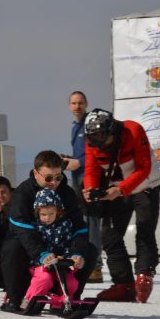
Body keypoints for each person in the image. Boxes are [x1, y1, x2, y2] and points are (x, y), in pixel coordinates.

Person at [0, 150, 96, 312]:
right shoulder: (23, 193)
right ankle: (14, 297)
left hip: (60, 246)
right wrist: (41, 253)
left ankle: (70, 296)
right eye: (48, 178)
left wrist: (77, 252)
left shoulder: (67, 193)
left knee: (91, 250)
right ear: (36, 174)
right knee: (12, 247)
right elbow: (22, 228)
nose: (54, 182)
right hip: (30, 250)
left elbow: (79, 226)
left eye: (58, 177)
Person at [83, 109, 160, 304]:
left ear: (112, 130)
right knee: (109, 235)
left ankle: (144, 275)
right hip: (116, 189)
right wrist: (90, 189)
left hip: (146, 186)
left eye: (100, 135)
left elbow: (144, 167)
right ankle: (123, 284)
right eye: (92, 137)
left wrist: (121, 190)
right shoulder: (92, 143)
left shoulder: (133, 130)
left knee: (145, 229)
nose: (97, 141)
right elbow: (91, 169)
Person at [63, 91, 104, 283]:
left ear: (86, 104)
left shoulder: (91, 123)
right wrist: (70, 160)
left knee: (92, 223)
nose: (77, 106)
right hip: (78, 178)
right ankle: (87, 263)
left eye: (80, 103)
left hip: (91, 178)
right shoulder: (75, 127)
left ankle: (95, 266)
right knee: (82, 222)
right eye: (73, 103)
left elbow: (98, 152)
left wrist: (78, 163)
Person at [22, 188, 85, 309]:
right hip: (39, 264)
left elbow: (68, 244)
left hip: (60, 264)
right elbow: (32, 246)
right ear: (37, 213)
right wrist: (42, 257)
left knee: (71, 282)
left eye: (51, 213)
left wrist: (67, 256)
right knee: (44, 279)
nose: (47, 218)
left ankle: (61, 303)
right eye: (43, 214)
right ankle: (29, 301)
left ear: (58, 211)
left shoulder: (65, 226)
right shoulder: (35, 227)